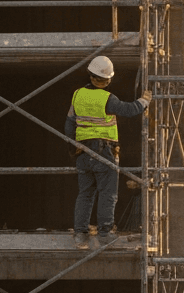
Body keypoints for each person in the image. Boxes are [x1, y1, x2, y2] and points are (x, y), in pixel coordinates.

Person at [64, 55, 151, 248]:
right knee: (107, 193)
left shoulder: (77, 95)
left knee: (85, 193)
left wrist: (73, 148)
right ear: (108, 79)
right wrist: (144, 101)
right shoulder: (107, 99)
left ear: (90, 75)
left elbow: (69, 125)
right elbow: (129, 110)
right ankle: (104, 233)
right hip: (104, 152)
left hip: (83, 152)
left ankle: (80, 235)